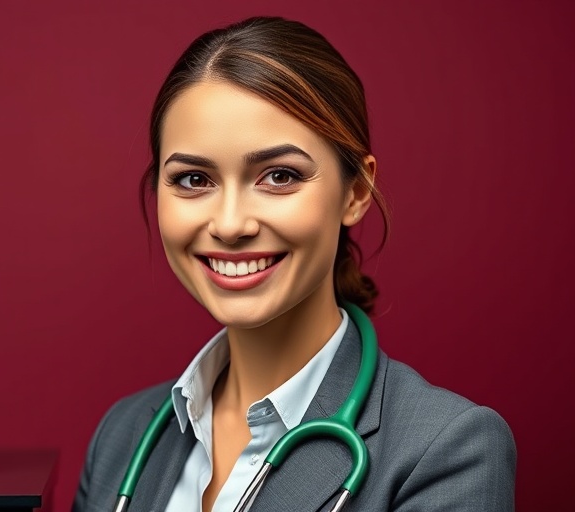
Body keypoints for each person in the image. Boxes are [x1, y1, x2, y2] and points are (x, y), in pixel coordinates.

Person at [72, 16, 516, 512]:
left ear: (355, 192)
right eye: (194, 179)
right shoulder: (121, 437)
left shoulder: (447, 452)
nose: (231, 224)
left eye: (279, 176)